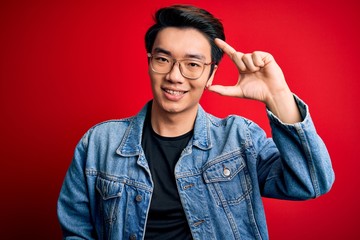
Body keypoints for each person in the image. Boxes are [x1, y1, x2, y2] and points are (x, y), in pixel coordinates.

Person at [57, 4, 334, 240]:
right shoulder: (99, 143)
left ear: (211, 74)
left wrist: (278, 96)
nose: (175, 76)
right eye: (163, 59)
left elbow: (311, 183)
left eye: (192, 64)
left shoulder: (239, 139)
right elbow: (77, 232)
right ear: (149, 62)